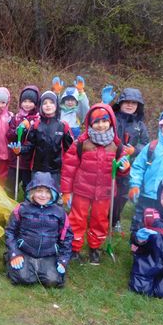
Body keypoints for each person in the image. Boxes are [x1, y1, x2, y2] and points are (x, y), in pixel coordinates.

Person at [61, 104, 130, 265]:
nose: (101, 125)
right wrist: (66, 191)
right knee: (77, 218)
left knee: (100, 220)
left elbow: (121, 170)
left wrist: (125, 169)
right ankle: (74, 248)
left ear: (111, 122)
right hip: (82, 189)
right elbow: (69, 168)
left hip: (105, 191)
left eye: (104, 121)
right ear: (90, 124)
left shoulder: (117, 145)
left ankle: (95, 248)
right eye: (96, 122)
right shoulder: (81, 143)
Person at [4, 172, 73, 288]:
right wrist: (14, 253)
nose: (43, 195)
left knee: (53, 281)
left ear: (53, 194)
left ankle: (42, 267)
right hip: (25, 251)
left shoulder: (59, 212)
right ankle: (10, 259)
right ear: (32, 191)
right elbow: (10, 231)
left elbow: (67, 237)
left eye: (47, 192)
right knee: (23, 278)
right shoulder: (22, 209)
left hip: (48, 253)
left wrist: (63, 260)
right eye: (39, 191)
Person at [103, 87, 150, 233]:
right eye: (127, 102)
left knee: (121, 195)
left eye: (134, 103)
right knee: (105, 192)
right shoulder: (112, 118)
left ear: (138, 106)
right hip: (108, 162)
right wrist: (104, 104)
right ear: (121, 103)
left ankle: (115, 219)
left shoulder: (140, 125)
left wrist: (134, 150)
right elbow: (99, 125)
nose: (130, 105)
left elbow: (146, 144)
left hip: (127, 165)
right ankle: (102, 217)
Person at [22, 91, 74, 187]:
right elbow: (29, 145)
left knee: (53, 195)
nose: (48, 105)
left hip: (56, 170)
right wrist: (19, 150)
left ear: (56, 105)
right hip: (37, 169)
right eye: (45, 103)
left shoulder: (63, 126)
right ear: (41, 106)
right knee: (37, 195)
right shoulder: (36, 125)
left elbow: (70, 150)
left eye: (51, 102)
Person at [7, 85, 40, 195]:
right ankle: (9, 204)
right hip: (14, 158)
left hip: (28, 161)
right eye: (24, 101)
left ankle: (27, 206)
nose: (27, 104)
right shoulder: (16, 118)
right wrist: (17, 131)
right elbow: (9, 135)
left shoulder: (37, 119)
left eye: (31, 101)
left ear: (36, 103)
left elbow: (36, 139)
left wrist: (28, 129)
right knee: (11, 185)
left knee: (28, 186)